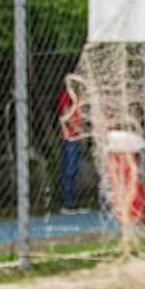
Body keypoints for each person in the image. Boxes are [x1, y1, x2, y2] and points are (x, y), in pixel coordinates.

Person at [56, 82, 88, 215]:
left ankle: (72, 202)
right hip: (69, 138)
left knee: (74, 171)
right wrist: (77, 130)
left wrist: (82, 133)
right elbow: (64, 116)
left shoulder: (79, 97)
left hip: (76, 137)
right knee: (69, 170)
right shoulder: (67, 95)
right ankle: (67, 204)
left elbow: (81, 117)